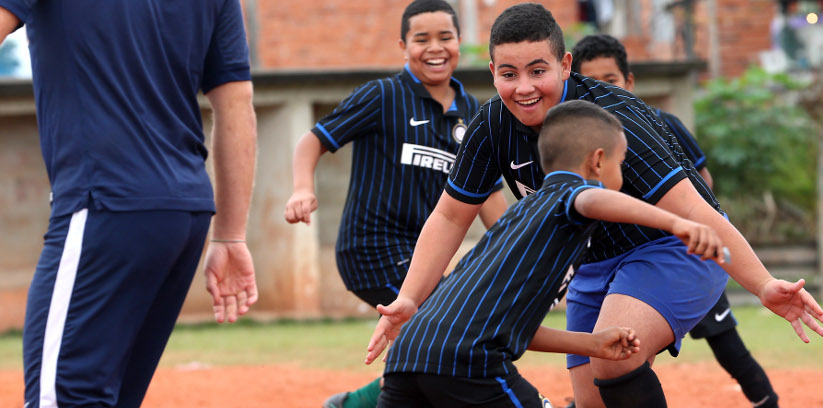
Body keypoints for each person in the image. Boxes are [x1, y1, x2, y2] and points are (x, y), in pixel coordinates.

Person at [370, 4, 823, 408]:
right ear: (492, 72)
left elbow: (695, 212)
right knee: (591, 399)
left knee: (617, 362)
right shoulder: (492, 123)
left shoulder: (613, 117)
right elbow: (451, 214)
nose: (524, 88)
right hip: (593, 264)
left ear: (565, 64)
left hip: (675, 246)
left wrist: (763, 283)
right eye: (508, 74)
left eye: (538, 70)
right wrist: (409, 298)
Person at [366, 100, 727, 408]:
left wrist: (592, 344)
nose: (623, 172)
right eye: (621, 161)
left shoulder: (520, 217)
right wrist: (679, 223)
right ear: (597, 162)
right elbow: (591, 198)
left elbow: (509, 328)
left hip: (409, 354)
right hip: (469, 363)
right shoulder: (568, 197)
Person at [1, 0, 259, 406]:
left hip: (106, 204)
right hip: (184, 214)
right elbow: (236, 102)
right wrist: (230, 236)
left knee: (65, 397)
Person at [283, 1, 504, 407]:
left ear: (460, 43)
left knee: (435, 340)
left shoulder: (475, 113)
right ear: (403, 45)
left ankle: (355, 404)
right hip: (369, 250)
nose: (434, 48)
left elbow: (488, 195)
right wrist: (301, 188)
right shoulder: (382, 96)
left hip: (423, 257)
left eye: (445, 37)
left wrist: (523, 247)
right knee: (447, 326)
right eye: (422, 39)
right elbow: (312, 139)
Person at [572, 33, 780, 408]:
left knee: (728, 345)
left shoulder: (659, 123)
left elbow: (700, 185)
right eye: (591, 83)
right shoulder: (577, 139)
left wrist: (676, 221)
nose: (601, 92)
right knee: (615, 365)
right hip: (626, 269)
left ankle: (769, 402)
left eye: (611, 81)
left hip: (683, 253)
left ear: (630, 83)